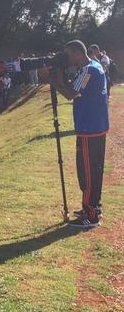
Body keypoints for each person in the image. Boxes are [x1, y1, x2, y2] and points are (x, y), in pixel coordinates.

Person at [51, 40, 109, 228]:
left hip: (89, 128)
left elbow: (70, 93)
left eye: (67, 55)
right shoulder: (95, 65)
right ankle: (91, 208)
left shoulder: (88, 71)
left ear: (77, 53)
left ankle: (91, 214)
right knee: (92, 169)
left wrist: (54, 80)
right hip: (95, 126)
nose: (66, 59)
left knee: (88, 171)